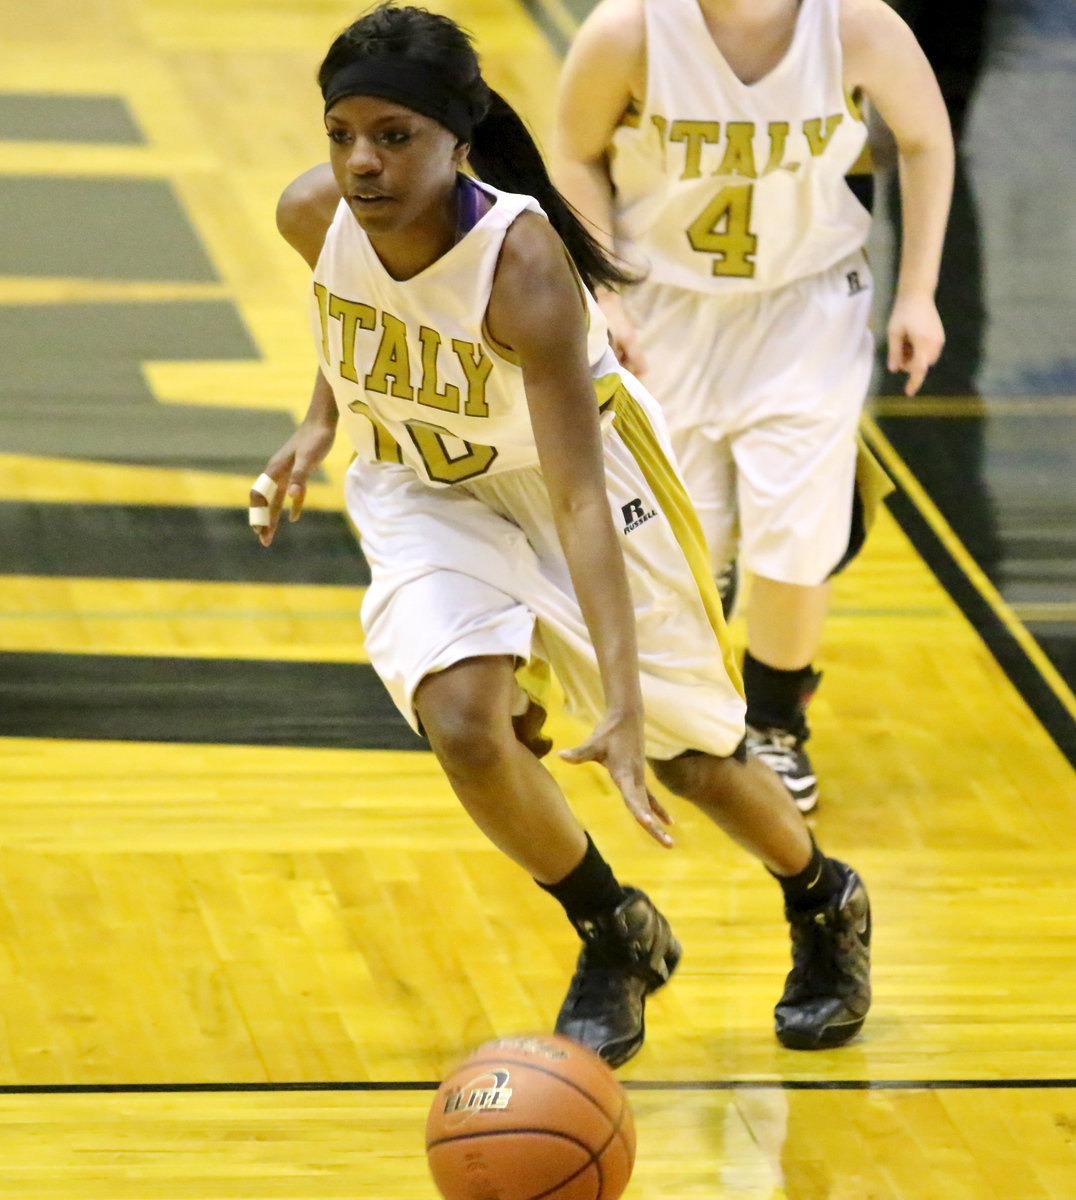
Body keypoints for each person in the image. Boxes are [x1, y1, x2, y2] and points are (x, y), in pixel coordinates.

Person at [249, 1, 871, 1063]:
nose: (360, 162)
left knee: (690, 762)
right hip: (428, 484)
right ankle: (614, 929)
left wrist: (621, 701)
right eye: (341, 133)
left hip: (580, 486)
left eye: (393, 136)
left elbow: (581, 503)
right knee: (462, 723)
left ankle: (823, 898)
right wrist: (320, 422)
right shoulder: (313, 212)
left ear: (458, 137)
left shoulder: (523, 268)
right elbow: (353, 311)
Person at [554, 0, 954, 812]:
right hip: (663, 306)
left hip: (808, 304)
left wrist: (917, 292)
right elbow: (573, 151)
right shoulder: (628, 31)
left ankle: (774, 723)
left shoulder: (858, 27)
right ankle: (697, 685)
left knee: (796, 532)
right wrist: (603, 289)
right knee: (681, 539)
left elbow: (925, 139)